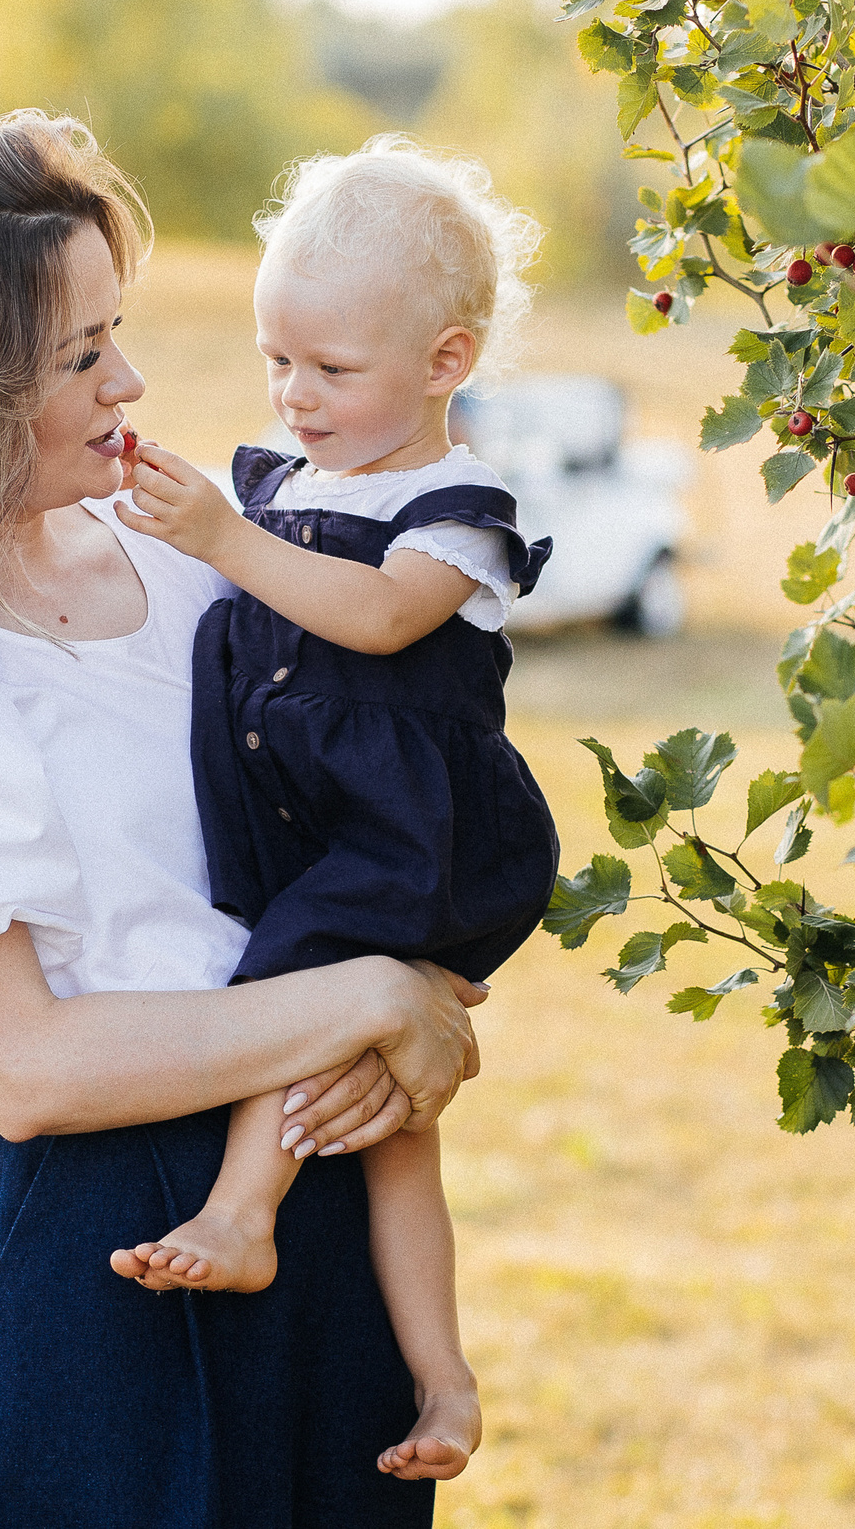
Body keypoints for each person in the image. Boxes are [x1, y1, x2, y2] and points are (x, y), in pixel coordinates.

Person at [0, 110, 484, 1528]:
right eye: (80, 354)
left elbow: (375, 827)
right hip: (103, 1275)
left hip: (324, 1208)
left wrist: (413, 988)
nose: (132, 379)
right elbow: (27, 1068)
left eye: (119, 330)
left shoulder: (201, 567)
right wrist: (369, 1000)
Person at [111, 137, 560, 1485]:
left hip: (411, 842)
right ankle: (444, 1378)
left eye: (331, 369)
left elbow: (374, 620)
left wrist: (217, 537)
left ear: (446, 361)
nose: (294, 396)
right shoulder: (285, 487)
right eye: (275, 362)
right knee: (396, 1132)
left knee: (296, 994)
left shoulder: (454, 510)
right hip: (313, 840)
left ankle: (245, 1214)